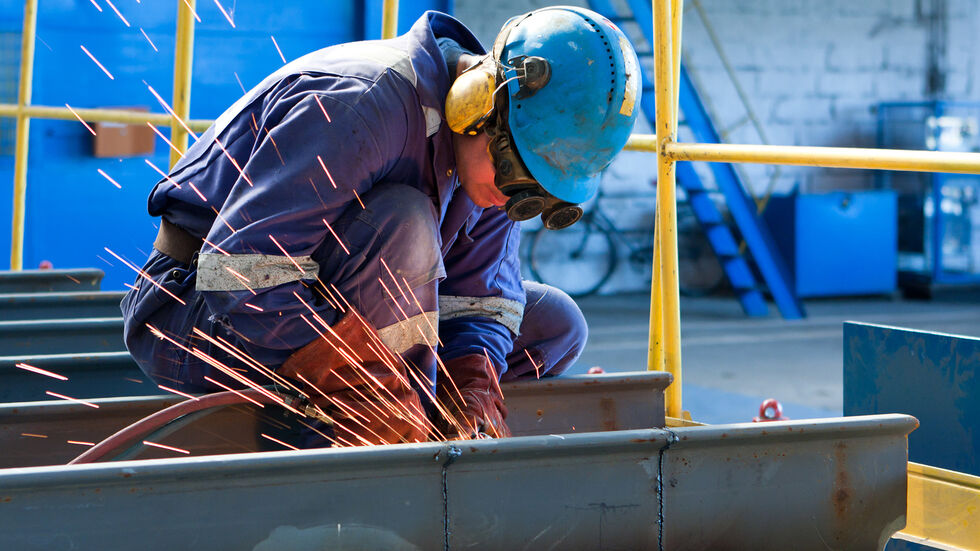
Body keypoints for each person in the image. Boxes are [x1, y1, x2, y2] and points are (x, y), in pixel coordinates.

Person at [121, 7, 640, 447]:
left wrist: (472, 385)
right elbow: (239, 275)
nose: (511, 198)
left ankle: (416, 417)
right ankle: (370, 440)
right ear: (478, 102)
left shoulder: (489, 166)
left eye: (533, 195)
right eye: (516, 174)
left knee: (556, 324)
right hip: (197, 315)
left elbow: (481, 300)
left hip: (339, 304)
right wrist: (369, 393)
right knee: (407, 224)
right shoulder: (362, 104)